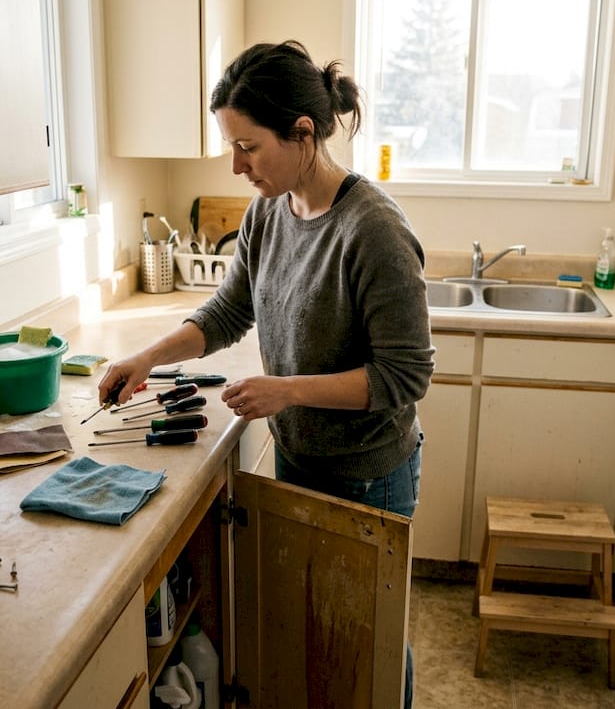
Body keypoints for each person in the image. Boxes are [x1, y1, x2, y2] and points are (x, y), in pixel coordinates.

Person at [97, 40, 433, 707]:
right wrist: (145, 358)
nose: (236, 164)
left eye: (248, 146)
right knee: (318, 635)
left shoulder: (373, 232)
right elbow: (226, 313)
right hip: (301, 460)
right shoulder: (267, 215)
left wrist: (287, 392)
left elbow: (405, 376)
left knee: (370, 643)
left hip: (368, 473)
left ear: (302, 133)